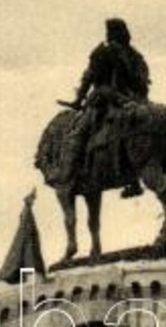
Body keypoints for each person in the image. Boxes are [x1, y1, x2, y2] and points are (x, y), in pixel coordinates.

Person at [64, 17, 153, 198]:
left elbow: (88, 77)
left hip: (109, 100)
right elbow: (144, 80)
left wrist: (78, 99)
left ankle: (69, 176)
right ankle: (134, 181)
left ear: (109, 33)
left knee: (78, 134)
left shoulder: (102, 52)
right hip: (138, 100)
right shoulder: (135, 54)